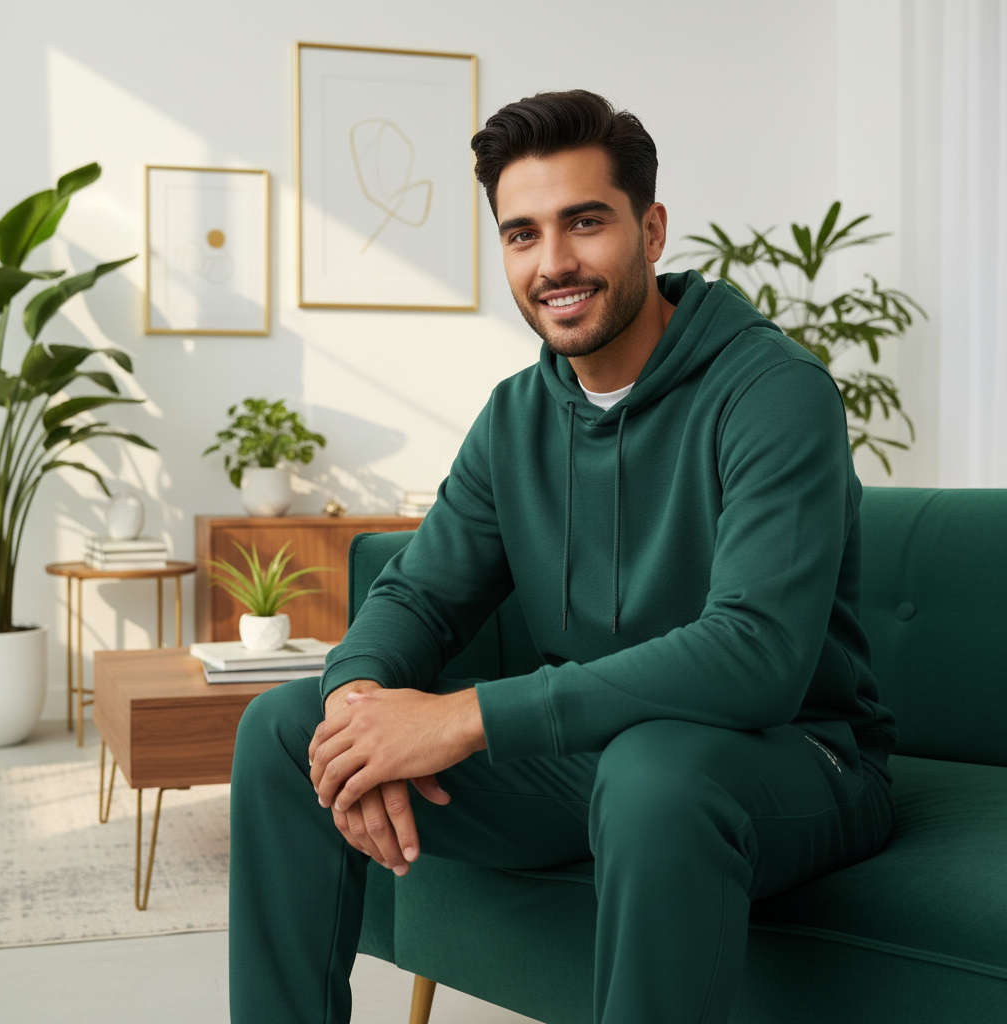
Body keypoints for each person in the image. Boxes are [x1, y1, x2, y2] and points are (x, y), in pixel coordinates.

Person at [229, 90, 896, 1024]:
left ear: (651, 229)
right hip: (595, 755)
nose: (554, 264)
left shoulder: (774, 392)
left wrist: (463, 717)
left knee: (658, 777)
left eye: (585, 223)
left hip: (794, 759)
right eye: (522, 234)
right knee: (285, 730)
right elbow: (420, 594)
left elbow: (757, 657)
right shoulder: (517, 415)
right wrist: (355, 705)